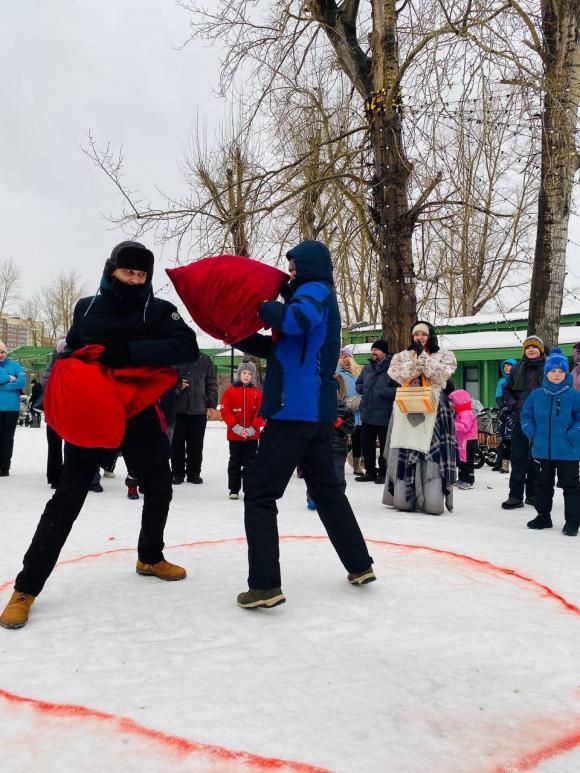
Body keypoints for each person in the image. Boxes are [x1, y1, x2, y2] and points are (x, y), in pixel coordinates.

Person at [0, 240, 198, 629]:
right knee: (67, 498)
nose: (135, 279)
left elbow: (185, 346)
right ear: (112, 271)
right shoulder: (87, 306)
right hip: (94, 414)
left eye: (142, 274)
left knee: (160, 486)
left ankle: (150, 556)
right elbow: (76, 345)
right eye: (129, 272)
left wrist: (124, 352)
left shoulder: (159, 310)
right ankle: (26, 587)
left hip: (139, 414)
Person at [234, 240, 375, 609]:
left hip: (293, 412)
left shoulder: (314, 291)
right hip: (315, 415)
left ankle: (264, 585)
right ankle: (359, 564)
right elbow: (286, 348)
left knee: (261, 494)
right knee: (327, 490)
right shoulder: (317, 296)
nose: (290, 274)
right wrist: (240, 336)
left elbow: (295, 320)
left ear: (311, 267)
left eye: (295, 268)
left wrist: (264, 308)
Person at [383, 321, 457, 515]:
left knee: (431, 449)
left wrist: (424, 357)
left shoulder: (445, 355)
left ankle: (431, 498)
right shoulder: (402, 356)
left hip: (433, 407)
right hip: (407, 406)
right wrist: (415, 361)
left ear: (430, 335)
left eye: (423, 334)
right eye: (416, 334)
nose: (419, 338)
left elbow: (443, 375)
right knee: (406, 447)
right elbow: (396, 375)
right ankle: (404, 497)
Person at [520, 348, 580, 535]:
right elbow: (526, 416)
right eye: (553, 371)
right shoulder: (536, 395)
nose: (556, 374)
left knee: (571, 487)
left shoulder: (574, 395)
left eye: (560, 371)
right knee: (542, 485)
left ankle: (572, 522)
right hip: (541, 450)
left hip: (568, 451)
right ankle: (543, 517)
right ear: (546, 372)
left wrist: (572, 435)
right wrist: (532, 432)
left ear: (565, 373)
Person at [501, 336, 546, 510]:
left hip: (542, 421)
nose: (531, 350)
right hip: (521, 419)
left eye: (535, 347)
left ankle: (533, 494)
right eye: (528, 348)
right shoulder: (517, 368)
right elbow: (507, 391)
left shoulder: (548, 368)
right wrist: (514, 405)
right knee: (518, 457)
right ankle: (515, 496)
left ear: (540, 350)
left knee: (538, 458)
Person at [354, 340, 398, 484]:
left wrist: (385, 392)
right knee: (367, 444)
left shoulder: (393, 367)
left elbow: (401, 388)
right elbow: (358, 383)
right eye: (372, 349)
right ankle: (370, 471)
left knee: (385, 445)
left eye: (376, 350)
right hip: (367, 413)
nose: (373, 352)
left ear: (384, 352)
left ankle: (384, 472)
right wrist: (361, 389)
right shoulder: (367, 367)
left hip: (385, 414)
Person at [171, 352, 218, 484]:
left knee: (196, 445)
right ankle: (177, 473)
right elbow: (165, 379)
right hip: (177, 409)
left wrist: (212, 405)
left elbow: (211, 383)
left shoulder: (206, 360)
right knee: (176, 444)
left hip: (199, 410)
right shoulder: (174, 357)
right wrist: (177, 384)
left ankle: (194, 473)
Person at [220, 361, 264, 499]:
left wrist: (253, 428)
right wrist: (236, 427)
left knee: (250, 463)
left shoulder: (257, 392)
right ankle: (234, 489)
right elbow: (225, 410)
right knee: (235, 462)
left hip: (251, 436)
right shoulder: (230, 391)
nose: (246, 376)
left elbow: (260, 412)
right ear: (239, 374)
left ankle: (249, 488)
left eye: (249, 373)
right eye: (244, 373)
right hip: (235, 435)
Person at [0, 341, 26, 476]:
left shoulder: (16, 366)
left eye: (2, 352)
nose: (0, 355)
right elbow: (16, 382)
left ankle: (5, 467)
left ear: (6, 352)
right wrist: (9, 378)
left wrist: (2, 385)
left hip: (12, 408)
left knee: (8, 438)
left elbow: (21, 382)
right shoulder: (14, 370)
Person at [337, 346, 363, 475]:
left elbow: (364, 386)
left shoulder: (357, 371)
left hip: (358, 409)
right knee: (342, 439)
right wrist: (337, 365)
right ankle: (339, 464)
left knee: (357, 439)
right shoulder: (338, 371)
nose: (343, 358)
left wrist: (360, 399)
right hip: (343, 409)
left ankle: (357, 466)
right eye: (341, 356)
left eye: (345, 355)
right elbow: (333, 378)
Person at [448, 389, 478, 490]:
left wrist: (452, 424)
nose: (451, 404)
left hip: (469, 441)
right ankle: (462, 478)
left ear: (459, 401)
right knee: (462, 461)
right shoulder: (460, 413)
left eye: (453, 402)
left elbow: (465, 427)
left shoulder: (466, 413)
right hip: (462, 441)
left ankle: (468, 480)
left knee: (468, 461)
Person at [491, 358, 517, 472]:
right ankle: (502, 465)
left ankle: (518, 466)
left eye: (509, 365)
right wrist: (503, 407)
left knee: (517, 440)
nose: (506, 367)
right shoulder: (502, 381)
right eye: (505, 366)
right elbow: (498, 397)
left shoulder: (518, 380)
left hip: (516, 412)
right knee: (503, 440)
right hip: (504, 413)